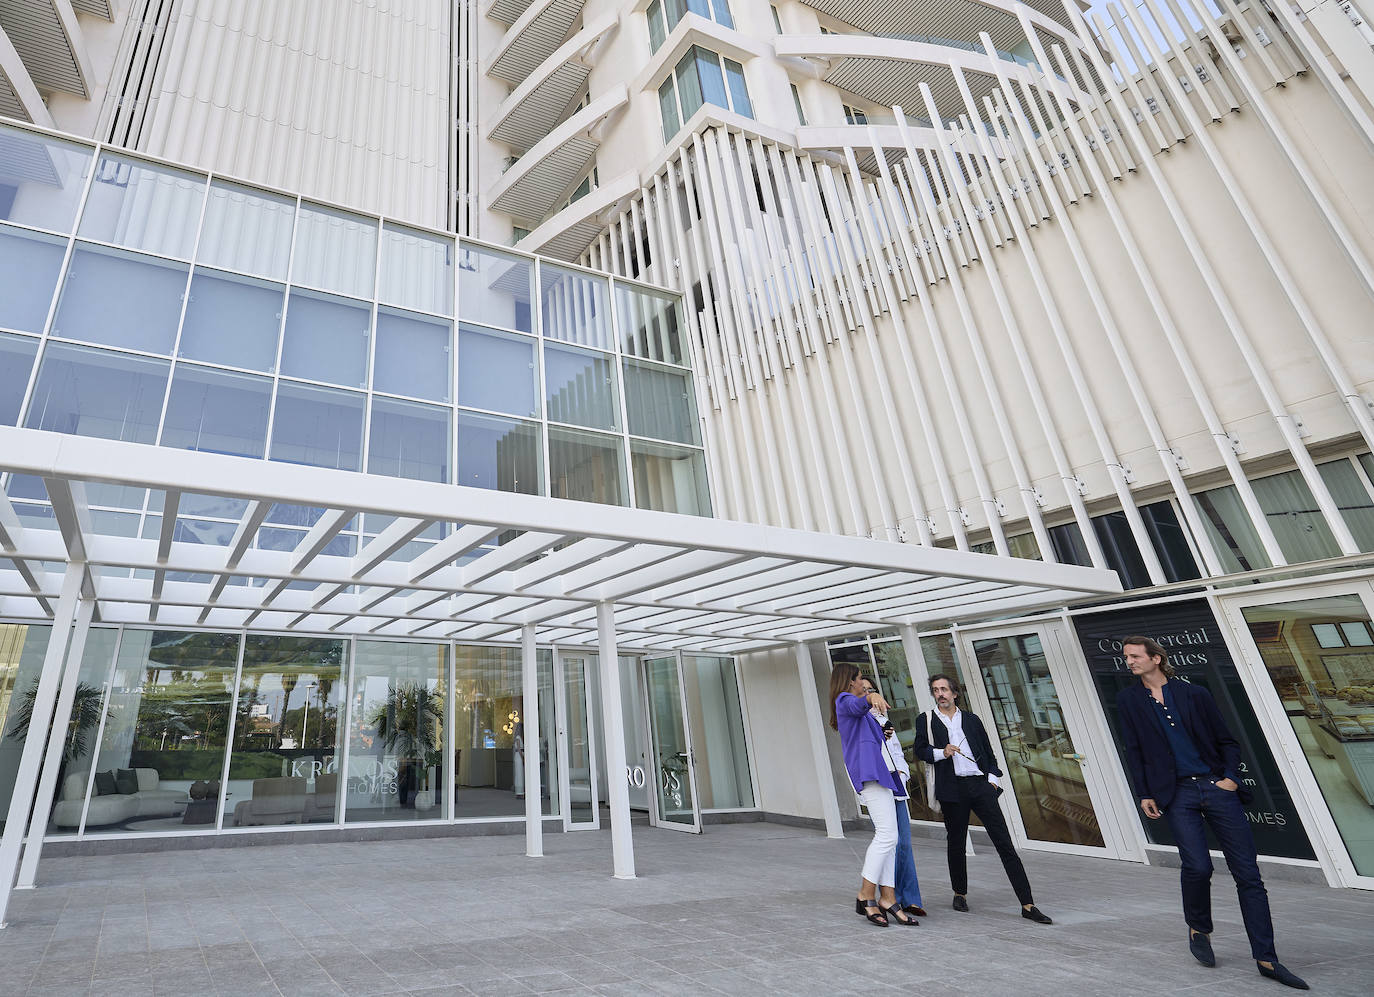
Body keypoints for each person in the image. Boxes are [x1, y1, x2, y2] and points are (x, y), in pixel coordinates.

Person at [1116, 636, 1308, 989]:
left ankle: (1267, 958)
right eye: (1126, 657)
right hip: (1176, 793)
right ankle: (1199, 928)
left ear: (1156, 658)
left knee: (1248, 874)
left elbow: (1227, 741)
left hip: (1216, 787)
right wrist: (1144, 792)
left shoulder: (1195, 694)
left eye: (1135, 656)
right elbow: (1134, 749)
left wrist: (1230, 779)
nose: (1129, 661)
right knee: (1197, 866)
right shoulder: (1128, 700)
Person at [912, 673, 1053, 924]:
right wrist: (941, 752)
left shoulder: (972, 719)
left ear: (955, 693)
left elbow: (988, 752)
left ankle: (1028, 904)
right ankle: (960, 893)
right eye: (936, 690)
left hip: (980, 785)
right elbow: (920, 750)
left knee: (1004, 844)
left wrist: (992, 780)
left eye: (944, 689)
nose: (940, 694)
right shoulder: (926, 720)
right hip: (952, 789)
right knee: (956, 844)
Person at [828, 662, 912, 927]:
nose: (862, 682)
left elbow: (871, 734)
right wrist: (871, 695)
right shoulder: (843, 700)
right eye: (860, 678)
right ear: (850, 681)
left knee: (891, 836)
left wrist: (884, 733)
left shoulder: (859, 712)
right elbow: (857, 705)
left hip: (880, 774)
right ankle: (866, 894)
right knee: (887, 835)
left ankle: (887, 897)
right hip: (869, 774)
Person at [861, 677, 927, 920]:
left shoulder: (884, 721)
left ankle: (909, 898)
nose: (870, 694)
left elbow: (897, 751)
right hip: (878, 784)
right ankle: (885, 896)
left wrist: (903, 772)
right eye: (864, 690)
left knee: (904, 843)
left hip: (896, 781)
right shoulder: (860, 722)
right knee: (888, 842)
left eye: (872, 690)